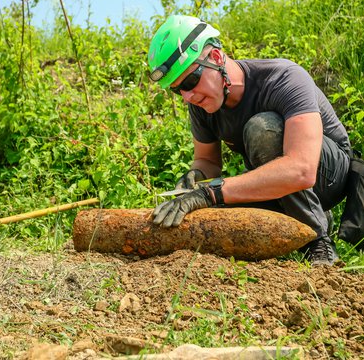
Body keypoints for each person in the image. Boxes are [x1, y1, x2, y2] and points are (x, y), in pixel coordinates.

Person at [148, 15, 351, 265]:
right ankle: (309, 218)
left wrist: (211, 193)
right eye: (178, 89)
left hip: (328, 174)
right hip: (274, 176)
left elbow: (302, 169)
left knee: (262, 130)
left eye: (190, 81)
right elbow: (206, 161)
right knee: (212, 218)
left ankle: (318, 241)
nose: (187, 96)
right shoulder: (200, 103)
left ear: (215, 58)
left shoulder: (283, 78)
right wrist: (196, 177)